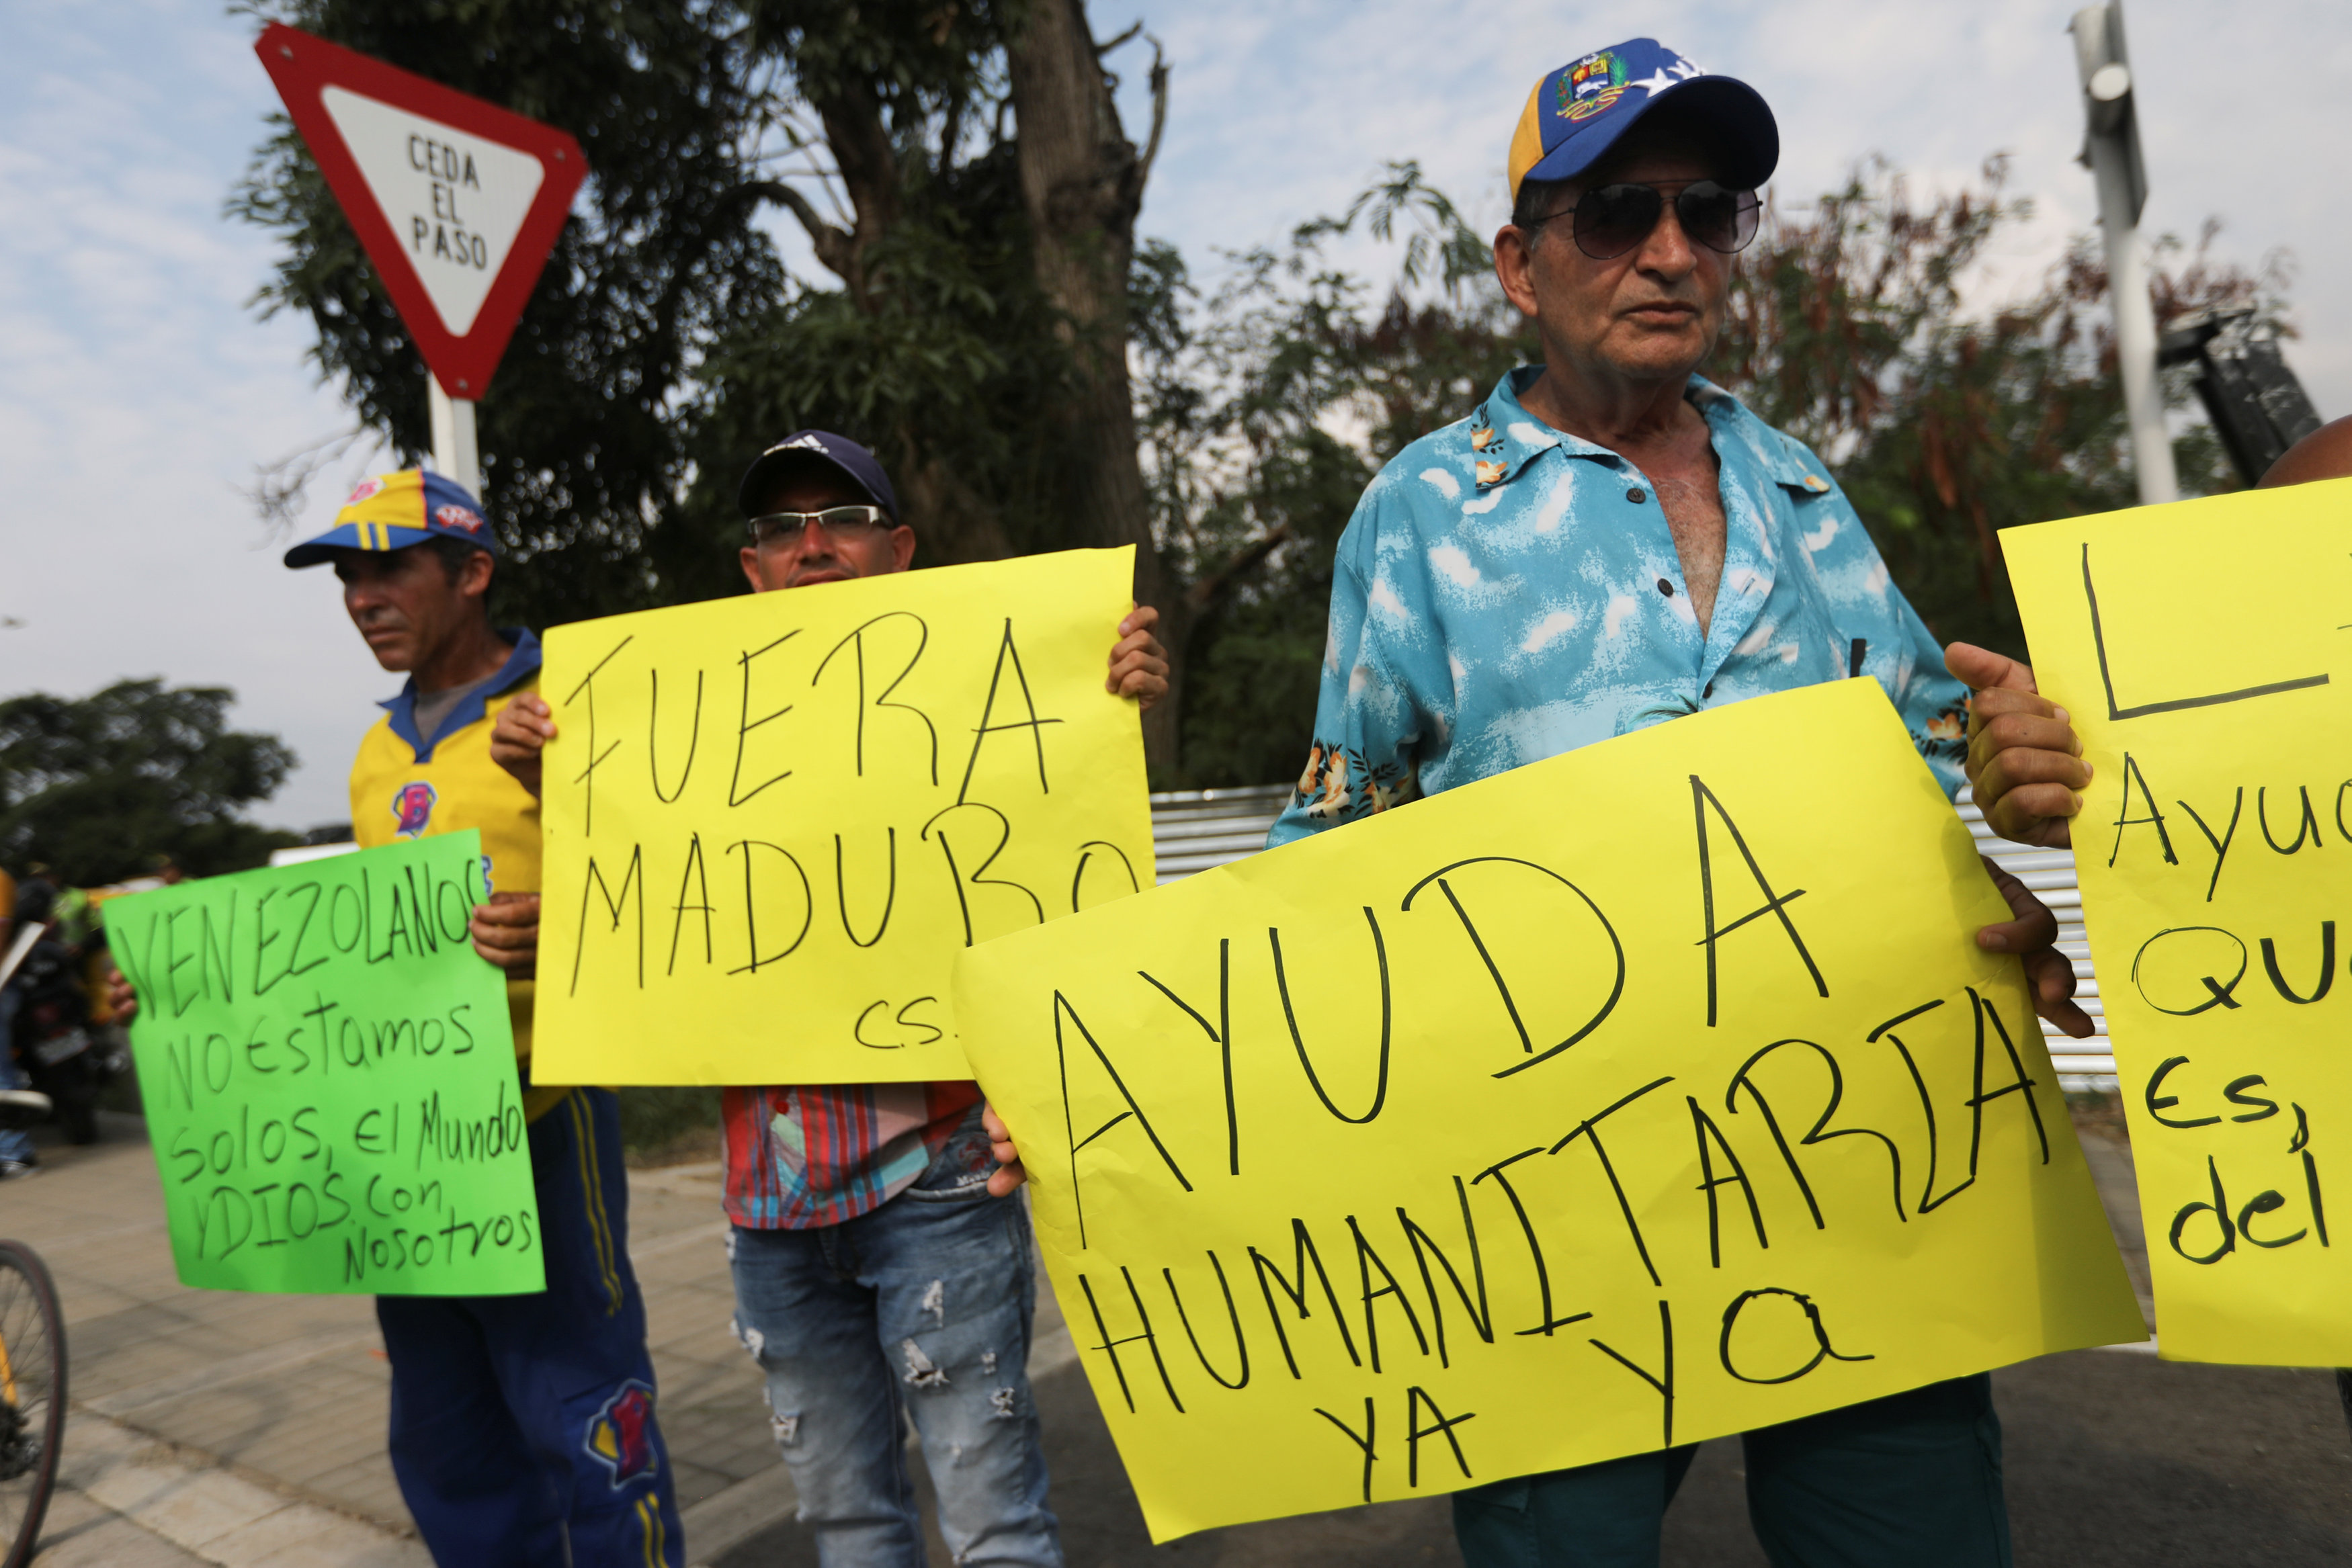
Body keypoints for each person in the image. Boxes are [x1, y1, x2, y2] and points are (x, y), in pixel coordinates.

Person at [1040, 38, 2081, 1568]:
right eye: (1614, 214)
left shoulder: (1801, 491)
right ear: (1521, 265)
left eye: (1707, 210)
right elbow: (1337, 835)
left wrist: (2016, 788)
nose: (1668, 251)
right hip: (1551, 1230)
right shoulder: (1419, 514)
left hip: (1866, 1183)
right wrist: (1113, 1069)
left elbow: (1929, 772)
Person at [479, 431, 1169, 1567]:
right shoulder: (668, 728)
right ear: (751, 569)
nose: (810, 545)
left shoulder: (993, 681)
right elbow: (641, 899)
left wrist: (1110, 700)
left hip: (939, 1175)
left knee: (993, 1518)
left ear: (896, 550)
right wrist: (553, 773)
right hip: (769, 1200)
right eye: (781, 528)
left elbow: (1062, 834)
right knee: (845, 1521)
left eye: (839, 519)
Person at [114, 470, 684, 1567]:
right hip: (412, 1160)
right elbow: (356, 964)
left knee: (586, 1416)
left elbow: (669, 888)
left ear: (473, 573)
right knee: (446, 1437)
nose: (363, 597)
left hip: (539, 1124)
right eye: (347, 576)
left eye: (390, 568)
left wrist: (555, 932)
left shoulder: (568, 704)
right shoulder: (378, 752)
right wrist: (181, 992)